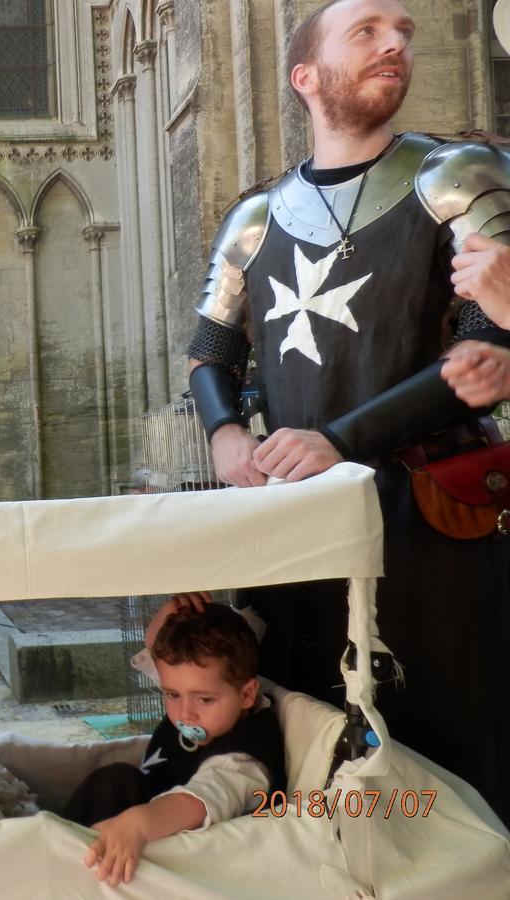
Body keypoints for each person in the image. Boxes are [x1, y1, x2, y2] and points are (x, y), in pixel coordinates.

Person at [186, 0, 510, 823]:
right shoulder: (254, 220)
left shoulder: (458, 178)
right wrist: (227, 433)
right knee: (307, 734)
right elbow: (211, 353)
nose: (395, 41)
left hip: (432, 519)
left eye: (404, 30)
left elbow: (483, 352)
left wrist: (338, 441)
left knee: (451, 745)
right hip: (298, 521)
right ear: (305, 76)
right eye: (365, 31)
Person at [63, 596, 284, 887]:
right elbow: (160, 654)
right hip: (140, 816)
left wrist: (138, 824)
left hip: (176, 865)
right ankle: (63, 845)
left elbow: (201, 800)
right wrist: (171, 612)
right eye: (172, 695)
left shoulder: (243, 759)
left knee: (117, 781)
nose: (184, 713)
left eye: (204, 699)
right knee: (114, 780)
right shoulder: (199, 693)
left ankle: (69, 860)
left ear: (246, 694)